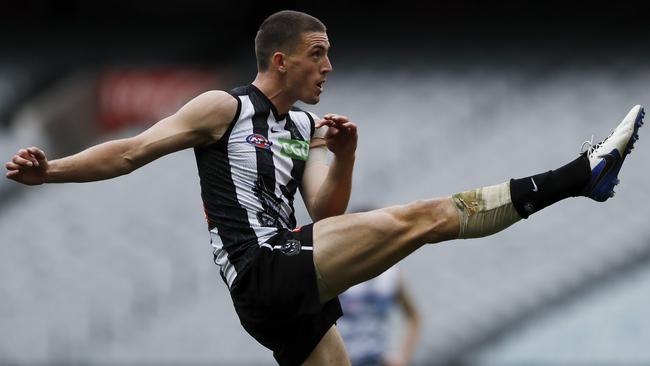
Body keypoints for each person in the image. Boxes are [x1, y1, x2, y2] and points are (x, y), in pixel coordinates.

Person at [4, 9, 644, 366]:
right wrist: (50, 171)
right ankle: (578, 176)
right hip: (262, 270)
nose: (329, 66)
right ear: (280, 60)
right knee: (419, 219)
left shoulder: (307, 126)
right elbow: (132, 152)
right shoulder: (222, 109)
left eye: (331, 52)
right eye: (318, 53)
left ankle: (582, 178)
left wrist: (346, 155)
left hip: (290, 275)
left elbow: (325, 212)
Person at [337, 265, 420, 366]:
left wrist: (402, 357)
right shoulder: (339, 271)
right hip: (341, 359)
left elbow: (414, 317)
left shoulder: (391, 274)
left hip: (378, 359)